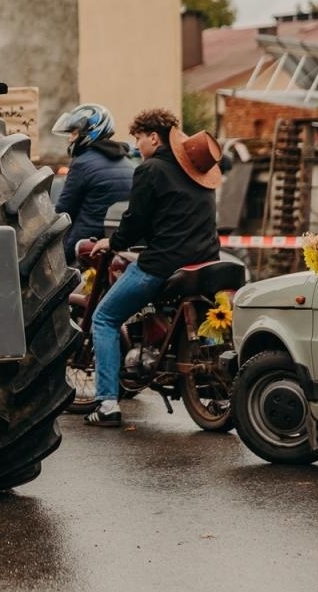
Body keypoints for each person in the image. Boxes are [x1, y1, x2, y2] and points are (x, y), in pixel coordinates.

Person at [83, 108, 222, 427]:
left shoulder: (151, 170)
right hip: (205, 261)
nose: (136, 144)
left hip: (163, 263)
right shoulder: (199, 176)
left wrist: (113, 242)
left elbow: (135, 221)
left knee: (104, 317)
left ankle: (106, 404)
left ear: (154, 137)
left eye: (139, 138)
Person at [51, 103, 134, 265]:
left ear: (90, 133)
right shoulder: (127, 161)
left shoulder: (82, 163)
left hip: (85, 241)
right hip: (119, 240)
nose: (70, 138)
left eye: (74, 133)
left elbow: (65, 211)